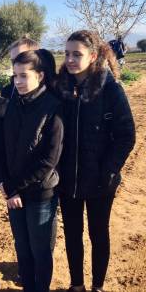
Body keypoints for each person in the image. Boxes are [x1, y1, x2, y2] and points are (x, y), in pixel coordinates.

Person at [57, 30, 136, 292]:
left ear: (92, 56)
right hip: (68, 179)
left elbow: (126, 135)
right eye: (67, 53)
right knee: (72, 234)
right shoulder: (61, 89)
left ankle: (97, 286)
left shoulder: (109, 88)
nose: (70, 59)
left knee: (98, 235)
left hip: (101, 181)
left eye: (76, 54)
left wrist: (109, 171)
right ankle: (76, 284)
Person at [0, 49, 63, 292]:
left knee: (40, 251)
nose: (18, 82)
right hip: (13, 194)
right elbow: (1, 148)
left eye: (24, 76)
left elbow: (49, 159)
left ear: (41, 76)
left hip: (40, 193)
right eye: (15, 76)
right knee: (22, 248)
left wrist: (16, 186)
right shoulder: (12, 104)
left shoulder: (53, 107)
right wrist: (5, 184)